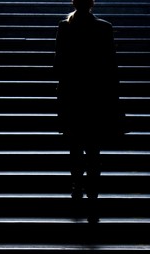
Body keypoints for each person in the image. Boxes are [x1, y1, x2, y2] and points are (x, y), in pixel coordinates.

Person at [54, 0, 124, 221]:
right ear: (92, 4)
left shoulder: (65, 26)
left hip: (73, 95)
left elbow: (58, 64)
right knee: (93, 148)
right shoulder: (104, 27)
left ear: (74, 3)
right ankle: (92, 192)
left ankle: (76, 186)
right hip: (96, 96)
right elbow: (111, 66)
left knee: (75, 145)